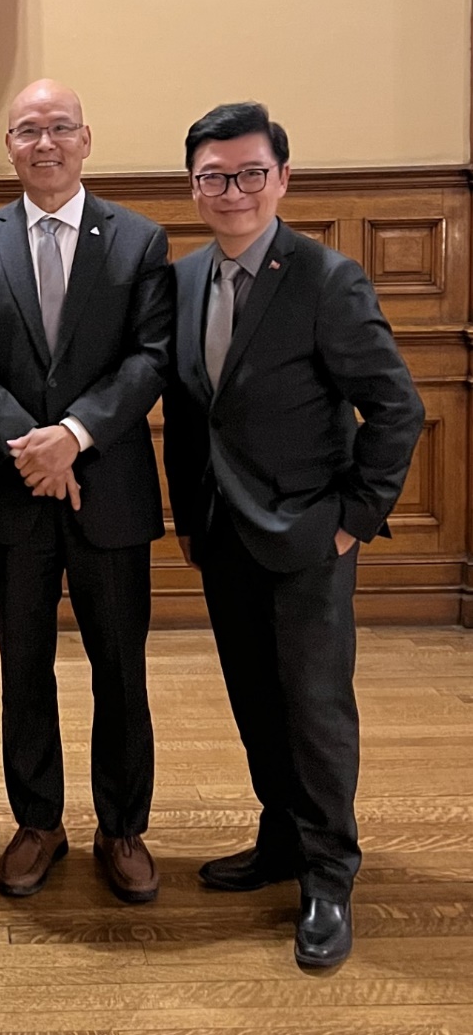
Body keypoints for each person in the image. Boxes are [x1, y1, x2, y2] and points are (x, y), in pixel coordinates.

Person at [163, 101, 424, 971]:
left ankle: (327, 872)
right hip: (220, 532)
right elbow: (190, 414)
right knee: (253, 698)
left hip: (309, 534)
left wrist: (354, 519)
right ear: (192, 185)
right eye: (211, 175)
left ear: (281, 178)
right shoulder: (186, 277)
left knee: (314, 707)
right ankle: (278, 838)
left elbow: (396, 408)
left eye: (247, 173)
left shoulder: (324, 277)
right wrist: (185, 515)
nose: (229, 190)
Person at [0, 80, 171, 903]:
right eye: (27, 130)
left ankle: (123, 827)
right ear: (8, 146)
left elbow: (149, 357)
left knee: (120, 667)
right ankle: (37, 821)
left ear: (85, 139)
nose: (45, 143)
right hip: (12, 495)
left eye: (59, 128)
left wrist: (70, 437)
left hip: (106, 489)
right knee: (23, 666)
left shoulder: (139, 240)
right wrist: (31, 450)